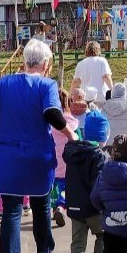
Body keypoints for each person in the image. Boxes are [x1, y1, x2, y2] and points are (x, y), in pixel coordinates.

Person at [0, 38, 77, 253]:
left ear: (24, 61)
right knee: (41, 205)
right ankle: (44, 252)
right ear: (46, 64)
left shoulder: (4, 83)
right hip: (38, 158)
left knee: (11, 212)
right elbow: (52, 113)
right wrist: (71, 135)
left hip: (8, 159)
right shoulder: (47, 85)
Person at [63, 110, 110, 253]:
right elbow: (98, 184)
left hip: (75, 204)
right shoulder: (98, 156)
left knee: (78, 242)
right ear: (102, 137)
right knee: (104, 235)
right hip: (94, 207)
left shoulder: (72, 151)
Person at [50, 89, 80, 228]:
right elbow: (78, 139)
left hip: (51, 158)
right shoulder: (71, 121)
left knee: (52, 185)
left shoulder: (48, 120)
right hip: (67, 159)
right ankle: (61, 207)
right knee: (65, 187)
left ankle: (52, 208)